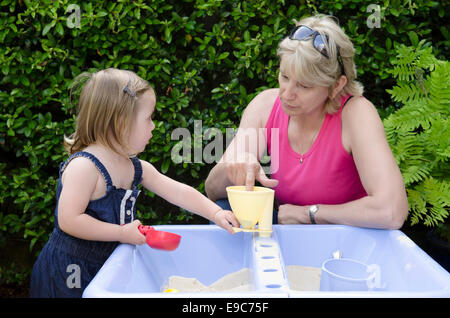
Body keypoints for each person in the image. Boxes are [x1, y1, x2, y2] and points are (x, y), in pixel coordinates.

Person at [30, 68, 240, 298]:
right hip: (68, 272)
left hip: (108, 266)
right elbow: (69, 221)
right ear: (121, 123)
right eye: (148, 118)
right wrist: (121, 232)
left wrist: (216, 213)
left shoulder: (135, 167)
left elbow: (177, 192)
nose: (153, 126)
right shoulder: (84, 168)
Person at [205, 15, 408, 230]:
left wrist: (309, 214)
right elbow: (212, 190)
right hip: (293, 235)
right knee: (224, 212)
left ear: (336, 86)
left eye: (304, 86)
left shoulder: (356, 113)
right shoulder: (266, 105)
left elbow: (392, 211)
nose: (287, 94)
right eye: (284, 77)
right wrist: (232, 169)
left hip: (349, 239)